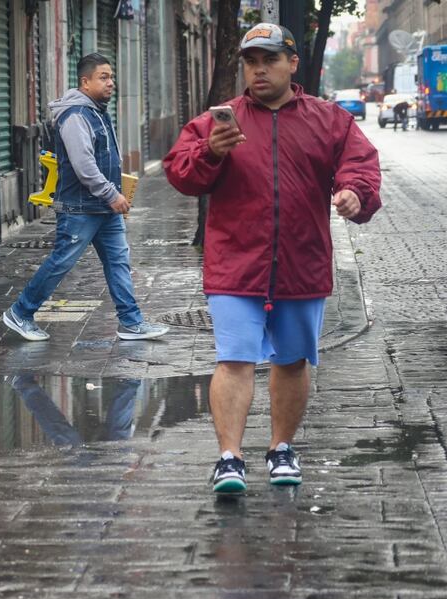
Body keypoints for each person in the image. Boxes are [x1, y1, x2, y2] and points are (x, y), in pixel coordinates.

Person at [163, 23, 381, 494]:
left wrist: (354, 194)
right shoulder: (220, 123)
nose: (259, 70)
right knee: (234, 359)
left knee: (293, 361)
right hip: (235, 265)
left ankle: (282, 448)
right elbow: (180, 173)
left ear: (292, 63)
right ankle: (229, 458)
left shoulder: (329, 119)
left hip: (302, 263)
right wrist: (210, 152)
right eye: (250, 62)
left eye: (270, 60)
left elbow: (360, 166)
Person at [2, 53, 169, 343]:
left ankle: (131, 322)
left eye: (111, 77)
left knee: (118, 261)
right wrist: (111, 193)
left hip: (103, 207)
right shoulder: (76, 116)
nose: (111, 82)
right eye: (103, 77)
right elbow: (84, 165)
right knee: (62, 262)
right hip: (81, 207)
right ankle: (20, 312)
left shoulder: (98, 112)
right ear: (85, 82)